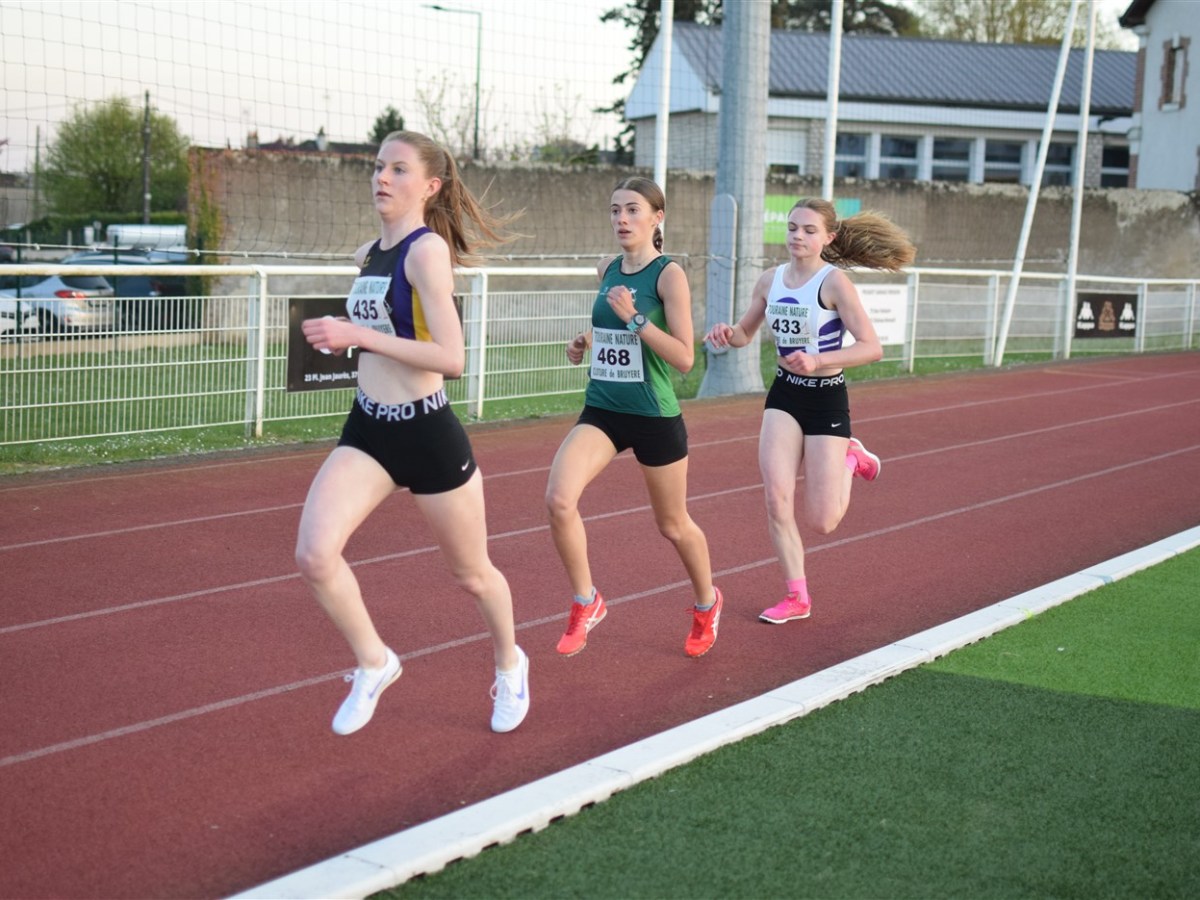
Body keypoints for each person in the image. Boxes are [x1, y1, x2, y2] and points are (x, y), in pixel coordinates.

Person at [295, 130, 529, 735]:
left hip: (426, 434)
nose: (381, 177)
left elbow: (452, 357)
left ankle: (510, 664)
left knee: (472, 574)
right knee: (315, 555)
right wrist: (342, 331)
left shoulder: (427, 254)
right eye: (378, 166)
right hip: (370, 429)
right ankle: (375, 662)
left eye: (398, 169)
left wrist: (357, 335)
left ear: (429, 186)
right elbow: (386, 326)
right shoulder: (368, 253)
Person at [703, 198, 915, 625]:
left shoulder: (834, 284)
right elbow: (745, 333)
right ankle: (796, 596)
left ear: (828, 238)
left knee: (823, 521)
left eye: (809, 230)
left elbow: (872, 347)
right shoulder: (770, 280)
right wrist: (728, 334)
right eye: (792, 227)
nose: (797, 236)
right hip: (785, 396)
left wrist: (817, 360)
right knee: (776, 499)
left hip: (825, 398)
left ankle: (851, 458)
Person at [546, 176, 723, 659]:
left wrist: (635, 318)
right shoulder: (606, 268)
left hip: (653, 415)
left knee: (673, 525)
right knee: (559, 500)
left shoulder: (668, 275)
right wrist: (585, 340)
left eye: (632, 210)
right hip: (603, 408)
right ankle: (586, 600)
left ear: (657, 218)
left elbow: (684, 358)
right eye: (615, 210)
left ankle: (707, 603)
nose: (621, 219)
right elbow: (612, 333)